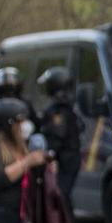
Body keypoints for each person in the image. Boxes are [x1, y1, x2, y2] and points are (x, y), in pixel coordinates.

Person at [35, 66, 84, 205]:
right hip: (68, 158)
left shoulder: (59, 112)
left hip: (65, 160)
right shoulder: (65, 107)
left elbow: (56, 137)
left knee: (60, 196)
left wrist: (49, 156)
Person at [0, 66, 36, 136]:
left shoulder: (25, 102)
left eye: (11, 86)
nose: (9, 91)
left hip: (22, 139)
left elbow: (34, 122)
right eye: (6, 87)